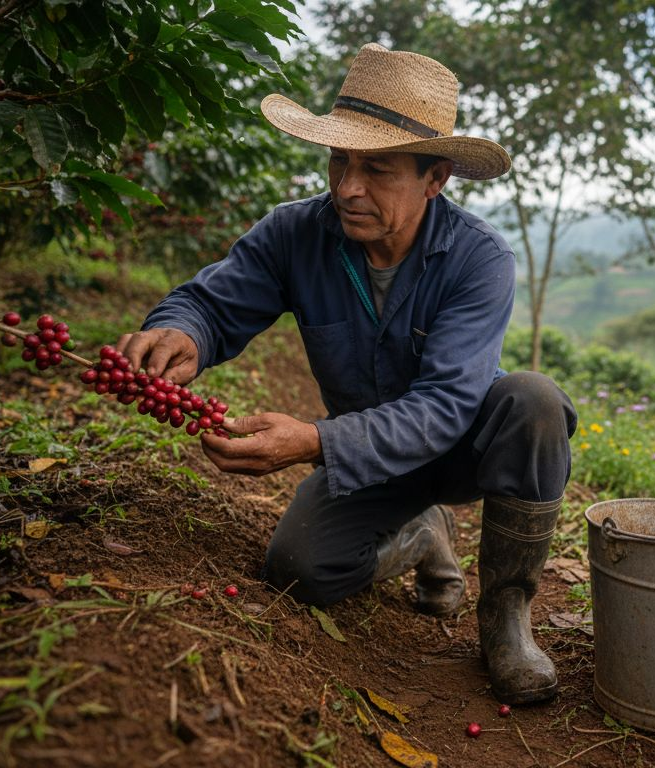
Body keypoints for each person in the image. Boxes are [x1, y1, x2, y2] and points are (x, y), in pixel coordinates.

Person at [114, 43, 577, 705]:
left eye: (378, 170)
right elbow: (214, 301)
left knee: (533, 399)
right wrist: (181, 330)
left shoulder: (478, 259)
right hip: (374, 463)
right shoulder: (296, 234)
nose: (347, 188)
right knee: (298, 568)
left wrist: (315, 441)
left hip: (462, 451)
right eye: (340, 161)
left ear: (435, 178)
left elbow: (448, 404)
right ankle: (419, 534)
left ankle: (505, 616)